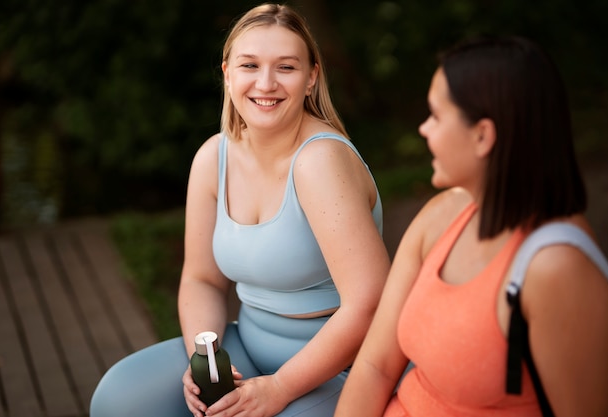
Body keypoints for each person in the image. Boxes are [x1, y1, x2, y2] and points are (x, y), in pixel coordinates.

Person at [89, 4, 390, 417]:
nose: (265, 83)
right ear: (228, 73)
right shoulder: (214, 158)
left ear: (311, 77)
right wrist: (206, 361)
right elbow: (202, 279)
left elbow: (369, 303)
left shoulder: (320, 161)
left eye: (285, 67)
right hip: (246, 349)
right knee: (119, 399)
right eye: (250, 65)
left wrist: (280, 388)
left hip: (340, 368)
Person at [334, 36, 608, 417]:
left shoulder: (557, 269)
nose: (423, 129)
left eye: (435, 116)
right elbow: (374, 367)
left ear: (483, 135)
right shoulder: (441, 215)